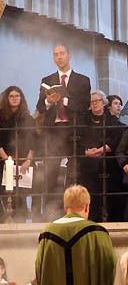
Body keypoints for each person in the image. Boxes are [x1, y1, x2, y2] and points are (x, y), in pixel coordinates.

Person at [35, 184, 116, 285]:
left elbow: (41, 273)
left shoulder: (47, 235)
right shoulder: (98, 233)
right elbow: (110, 273)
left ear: (65, 207)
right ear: (87, 207)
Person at [36, 44, 91, 219]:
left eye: (61, 54)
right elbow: (40, 107)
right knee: (50, 173)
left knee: (74, 174)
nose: (58, 57)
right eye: (55, 55)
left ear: (69, 55)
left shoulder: (83, 80)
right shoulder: (47, 79)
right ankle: (51, 214)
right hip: (53, 132)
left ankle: (74, 213)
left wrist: (64, 100)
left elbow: (83, 107)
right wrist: (49, 102)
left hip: (73, 131)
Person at [77, 90, 125, 222]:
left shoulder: (112, 120)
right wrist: (86, 152)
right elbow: (76, 139)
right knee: (91, 199)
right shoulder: (84, 120)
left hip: (108, 164)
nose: (95, 104)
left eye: (97, 101)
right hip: (89, 165)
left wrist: (100, 150)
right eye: (92, 101)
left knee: (112, 199)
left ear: (104, 103)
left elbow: (116, 138)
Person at [0, 86, 36, 222]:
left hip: (23, 162)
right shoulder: (1, 117)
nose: (14, 98)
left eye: (17, 96)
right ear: (7, 99)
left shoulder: (28, 118)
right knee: (4, 193)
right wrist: (6, 160)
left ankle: (20, 221)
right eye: (11, 96)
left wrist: (28, 160)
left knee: (20, 195)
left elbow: (33, 142)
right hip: (4, 160)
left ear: (21, 98)